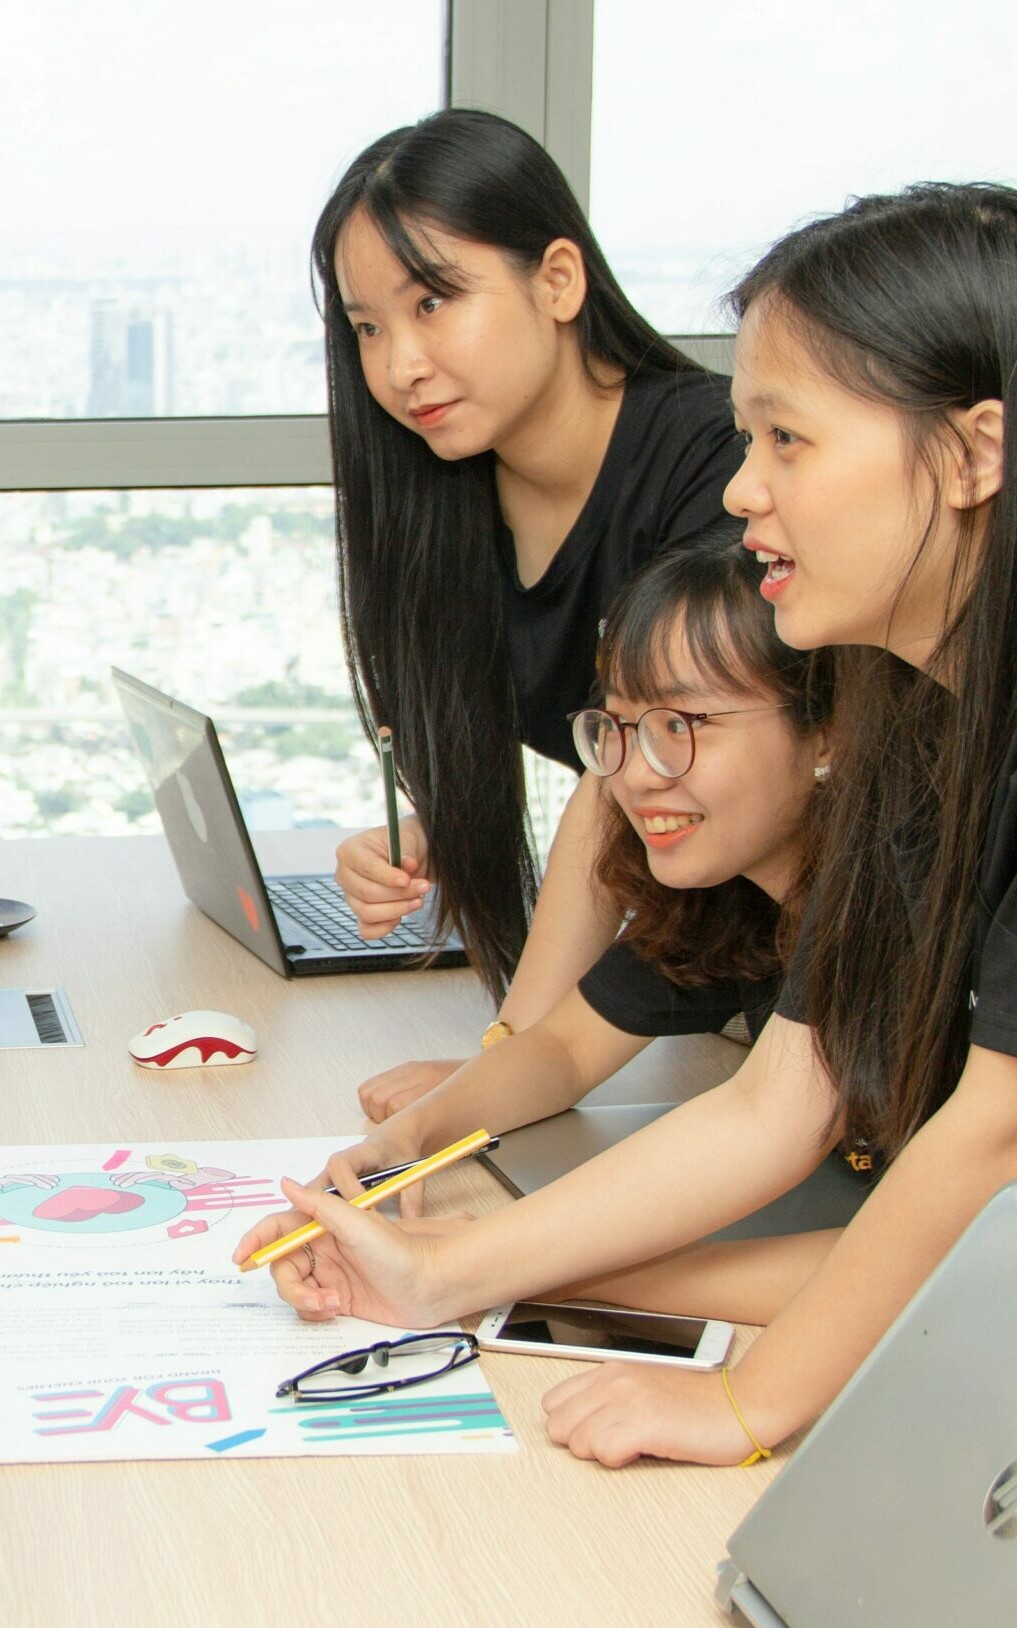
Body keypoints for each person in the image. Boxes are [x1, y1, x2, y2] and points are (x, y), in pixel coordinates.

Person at [236, 181, 1017, 1470]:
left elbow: (1008, 1131)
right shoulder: (915, 704)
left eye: (787, 442)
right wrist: (442, 1273)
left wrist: (743, 1406)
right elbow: (776, 1102)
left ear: (971, 453)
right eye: (744, 441)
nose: (739, 493)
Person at [314, 108, 743, 1112]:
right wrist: (438, 824)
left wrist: (515, 1055)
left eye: (433, 302)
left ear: (556, 279)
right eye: (368, 328)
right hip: (685, 987)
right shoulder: (444, 495)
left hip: (784, 970)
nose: (398, 365)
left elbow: (626, 776)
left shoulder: (713, 465)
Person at [322, 531, 842, 1295]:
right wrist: (414, 1133)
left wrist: (490, 1265)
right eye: (621, 729)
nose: (635, 774)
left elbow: (916, 1263)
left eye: (683, 725)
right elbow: (565, 1048)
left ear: (827, 730)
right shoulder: (732, 892)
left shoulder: (890, 908)